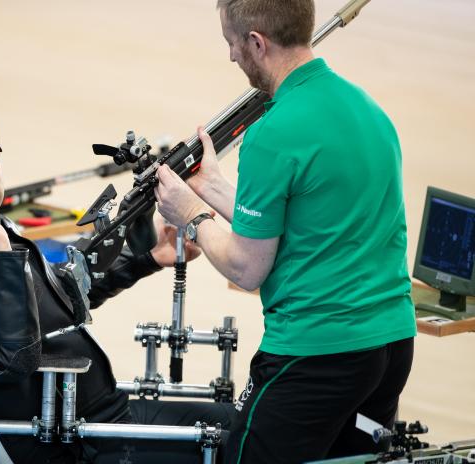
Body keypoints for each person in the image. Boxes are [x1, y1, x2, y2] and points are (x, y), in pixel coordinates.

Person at [154, 0, 417, 462]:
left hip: (318, 353)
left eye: (232, 43)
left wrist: (191, 214)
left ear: (256, 41)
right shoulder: (368, 110)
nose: (232, 56)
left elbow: (247, 266)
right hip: (391, 347)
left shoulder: (272, 132)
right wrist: (211, 187)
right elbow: (303, 223)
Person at [0, 104, 235, 463]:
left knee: (245, 427)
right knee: (244, 444)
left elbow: (60, 297)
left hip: (98, 420)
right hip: (71, 447)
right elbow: (8, 360)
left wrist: (147, 258)